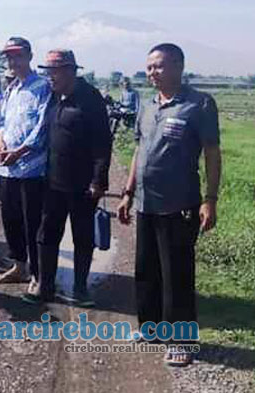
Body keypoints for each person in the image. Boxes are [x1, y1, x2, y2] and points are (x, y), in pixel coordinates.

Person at [117, 43, 221, 367]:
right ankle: (151, 329)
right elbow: (139, 151)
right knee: (146, 270)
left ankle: (182, 340)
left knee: (177, 274)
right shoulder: (147, 106)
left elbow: (212, 153)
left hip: (180, 204)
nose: (152, 73)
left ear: (178, 66)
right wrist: (127, 191)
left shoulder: (199, 104)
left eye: (158, 66)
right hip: (146, 204)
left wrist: (210, 199)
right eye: (149, 67)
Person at [23, 49, 112, 306]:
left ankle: (80, 289)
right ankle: (45, 286)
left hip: (83, 185)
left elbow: (102, 143)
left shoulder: (90, 99)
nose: (50, 76)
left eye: (55, 71)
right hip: (52, 182)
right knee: (47, 233)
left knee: (83, 237)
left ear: (71, 71)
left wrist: (98, 180)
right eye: (48, 71)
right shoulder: (53, 97)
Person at [0, 37, 52, 289]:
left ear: (29, 56)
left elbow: (42, 127)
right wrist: (0, 143)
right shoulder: (11, 89)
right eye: (9, 57)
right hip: (7, 169)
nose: (13, 61)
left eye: (17, 56)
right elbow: (2, 122)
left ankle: (38, 274)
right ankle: (19, 266)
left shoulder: (42, 87)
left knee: (33, 223)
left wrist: (19, 151)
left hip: (32, 169)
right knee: (11, 219)